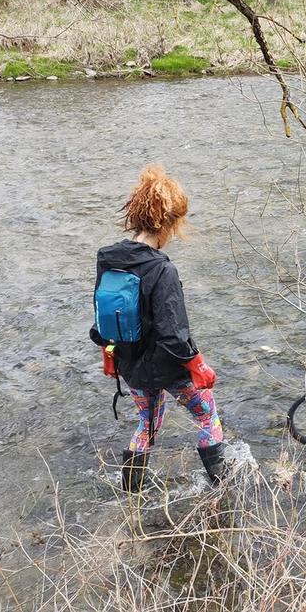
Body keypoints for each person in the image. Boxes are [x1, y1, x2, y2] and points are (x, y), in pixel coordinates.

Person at [90, 165, 225, 493]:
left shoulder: (108, 258)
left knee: (147, 426)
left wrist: (109, 353)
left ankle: (131, 497)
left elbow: (101, 317)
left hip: (130, 365)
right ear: (166, 223)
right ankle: (226, 490)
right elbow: (173, 333)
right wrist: (198, 365)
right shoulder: (162, 269)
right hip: (169, 369)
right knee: (209, 418)